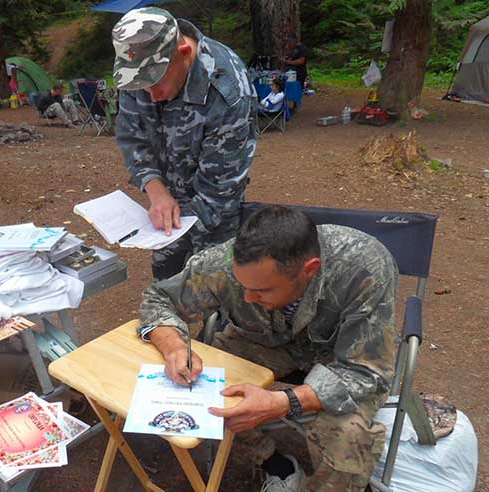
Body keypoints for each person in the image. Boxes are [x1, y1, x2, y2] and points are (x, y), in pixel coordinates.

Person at [138, 205, 398, 491]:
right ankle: (276, 465)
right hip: (262, 343)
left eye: (262, 290)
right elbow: (159, 297)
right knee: (206, 390)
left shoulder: (364, 267)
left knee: (350, 435)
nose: (248, 298)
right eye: (242, 285)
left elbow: (365, 372)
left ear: (308, 270)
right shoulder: (224, 263)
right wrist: (173, 345)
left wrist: (281, 403)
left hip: (336, 359)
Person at [113, 7, 258, 281]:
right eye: (142, 87)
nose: (151, 96)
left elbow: (219, 192)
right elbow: (133, 138)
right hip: (168, 214)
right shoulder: (139, 71)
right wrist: (157, 192)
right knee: (167, 286)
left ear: (183, 54)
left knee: (214, 292)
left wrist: (178, 235)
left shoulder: (228, 91)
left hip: (214, 215)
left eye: (156, 84)